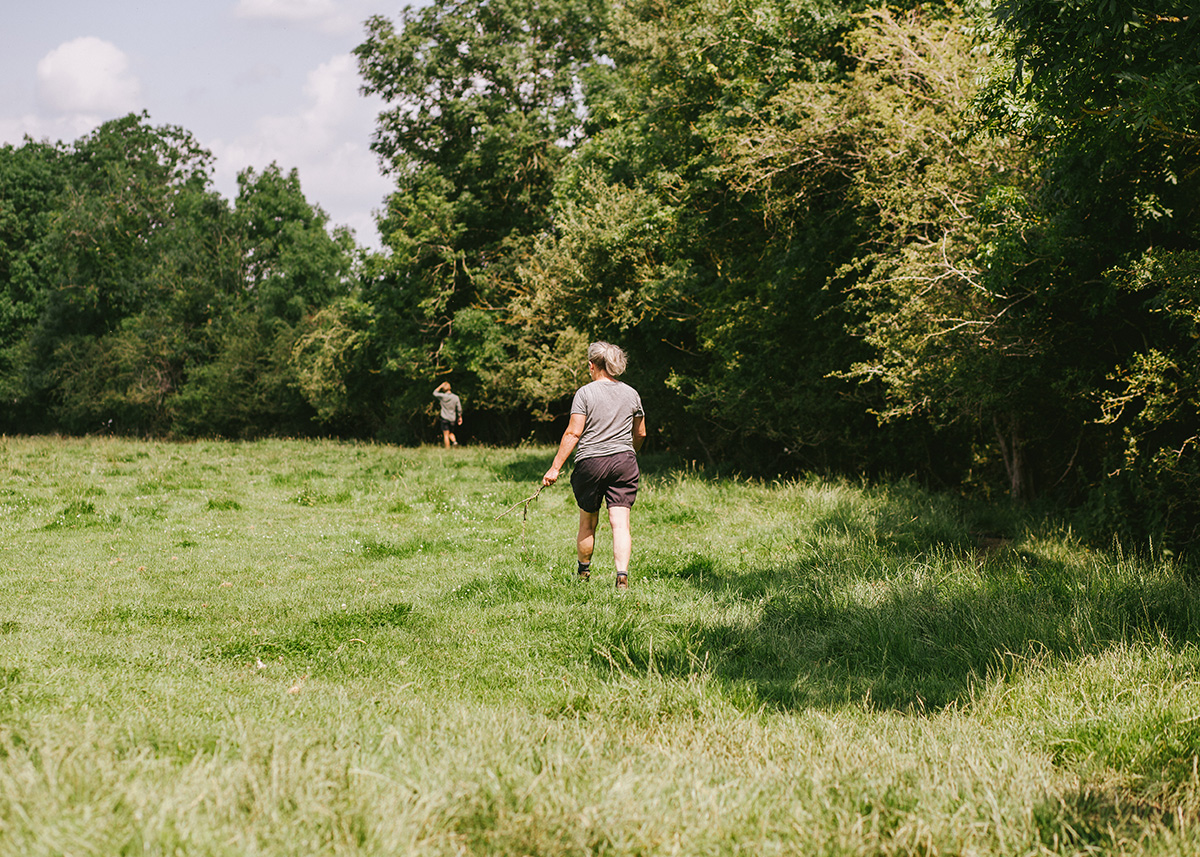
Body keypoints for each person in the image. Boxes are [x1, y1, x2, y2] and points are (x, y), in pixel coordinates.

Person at [543, 342, 647, 590]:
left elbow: (573, 433)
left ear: (592, 366)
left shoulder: (585, 393)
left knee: (588, 522)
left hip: (591, 462)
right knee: (620, 523)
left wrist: (555, 467)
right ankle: (622, 577)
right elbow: (641, 433)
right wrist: (630, 452)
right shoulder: (632, 393)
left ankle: (583, 574)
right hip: (624, 461)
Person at [432, 381, 463, 448]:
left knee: (446, 434)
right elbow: (459, 408)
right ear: (450, 388)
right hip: (452, 418)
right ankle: (454, 442)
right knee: (451, 433)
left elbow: (434, 393)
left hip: (444, 418)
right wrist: (460, 417)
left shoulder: (442, 396)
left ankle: (447, 449)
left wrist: (440, 385)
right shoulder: (455, 397)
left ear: (443, 389)